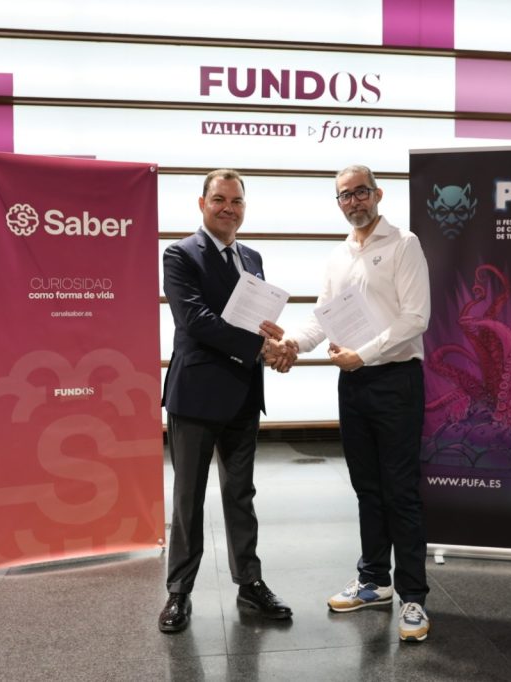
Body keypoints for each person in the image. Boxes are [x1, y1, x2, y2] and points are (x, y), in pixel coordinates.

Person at [271, 164, 432, 642]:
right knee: (367, 488)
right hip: (354, 384)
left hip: (396, 380)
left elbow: (416, 318)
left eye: (362, 192)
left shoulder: (404, 244)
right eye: (345, 195)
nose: (354, 201)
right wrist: (291, 344)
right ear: (338, 202)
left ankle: (414, 598)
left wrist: (364, 354)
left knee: (401, 491)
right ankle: (374, 581)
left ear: (378, 195)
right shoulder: (338, 256)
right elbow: (324, 320)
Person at [159, 169, 296, 633]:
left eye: (236, 201)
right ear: (202, 204)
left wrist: (271, 337)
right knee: (188, 498)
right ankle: (179, 592)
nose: (228, 209)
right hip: (196, 395)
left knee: (241, 494)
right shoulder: (180, 254)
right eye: (219, 199)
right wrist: (259, 347)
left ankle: (250, 583)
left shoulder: (252, 257)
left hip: (242, 394)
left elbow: (251, 320)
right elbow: (195, 320)